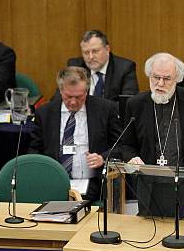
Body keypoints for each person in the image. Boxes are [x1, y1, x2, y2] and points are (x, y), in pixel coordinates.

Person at [122, 52, 184, 217]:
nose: (160, 83)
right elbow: (126, 143)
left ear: (177, 79)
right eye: (155, 77)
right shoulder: (136, 104)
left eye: (167, 79)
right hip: (149, 185)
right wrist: (131, 157)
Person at [29, 67, 121, 201]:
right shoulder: (45, 113)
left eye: (79, 97)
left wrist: (103, 158)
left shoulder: (105, 110)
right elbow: (34, 150)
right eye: (68, 96)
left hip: (91, 183)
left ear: (87, 91)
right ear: (60, 90)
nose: (73, 102)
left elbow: (120, 145)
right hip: (54, 181)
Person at [60, 30, 139, 102]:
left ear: (107, 49)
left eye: (95, 51)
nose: (90, 57)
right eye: (86, 52)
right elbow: (60, 97)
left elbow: (128, 103)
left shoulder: (124, 68)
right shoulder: (76, 66)